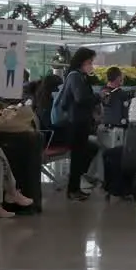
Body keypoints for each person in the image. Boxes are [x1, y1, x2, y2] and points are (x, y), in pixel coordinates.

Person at [52, 47, 99, 200]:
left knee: (82, 154)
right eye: (89, 62)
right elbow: (80, 98)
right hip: (76, 123)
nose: (91, 65)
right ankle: (73, 190)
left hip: (79, 122)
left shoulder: (79, 76)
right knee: (78, 156)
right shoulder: (75, 77)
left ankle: (75, 187)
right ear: (82, 61)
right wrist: (97, 97)